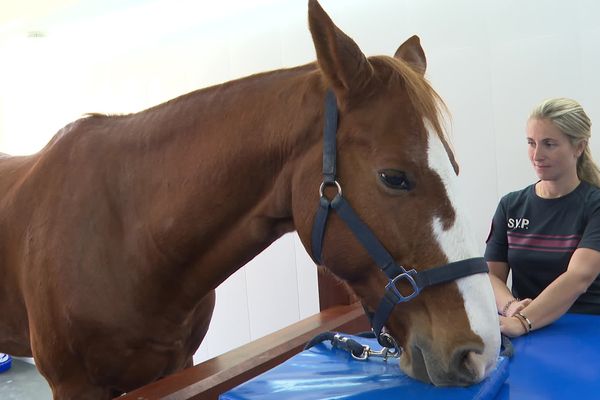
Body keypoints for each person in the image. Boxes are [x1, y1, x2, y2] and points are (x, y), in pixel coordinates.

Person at [485, 97, 600, 338]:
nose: (537, 155)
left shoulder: (594, 206)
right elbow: (491, 276)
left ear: (578, 147)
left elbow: (579, 277)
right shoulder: (511, 205)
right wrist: (511, 307)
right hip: (524, 330)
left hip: (583, 330)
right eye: (531, 143)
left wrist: (523, 320)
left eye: (549, 144)